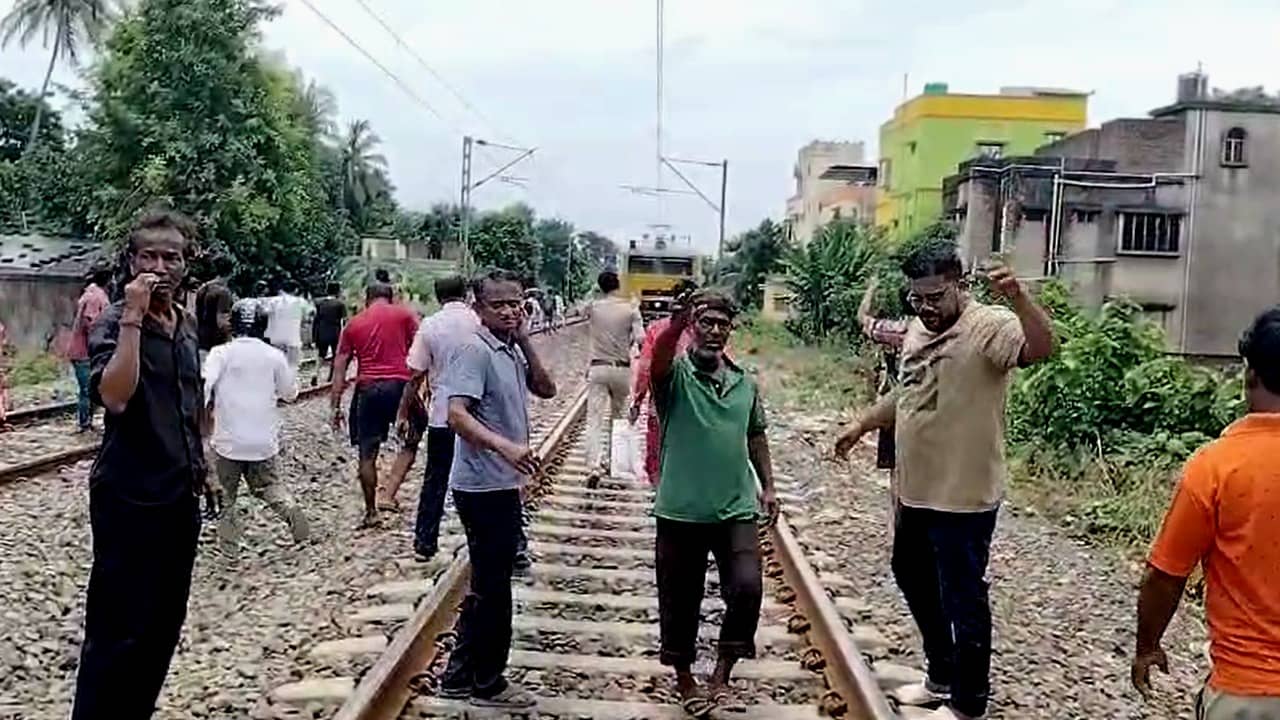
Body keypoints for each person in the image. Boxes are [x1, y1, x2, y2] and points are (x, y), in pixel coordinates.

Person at [833, 240, 1055, 720]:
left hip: (964, 495)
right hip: (916, 489)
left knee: (963, 596)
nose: (926, 307)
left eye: (935, 296)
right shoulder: (917, 328)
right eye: (918, 298)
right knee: (910, 573)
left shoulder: (988, 327)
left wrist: (1020, 300)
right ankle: (940, 673)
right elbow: (909, 393)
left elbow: (1041, 348)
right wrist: (864, 424)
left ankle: (968, 704)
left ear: (959, 284)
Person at [72, 208, 218, 719]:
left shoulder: (185, 324)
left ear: (185, 264)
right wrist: (133, 315)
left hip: (180, 494)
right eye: (149, 255)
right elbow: (114, 397)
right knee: (117, 628)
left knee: (162, 623)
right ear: (131, 261)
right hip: (129, 494)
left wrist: (204, 467)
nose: (160, 265)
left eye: (171, 257)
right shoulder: (115, 319)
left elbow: (189, 405)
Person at [1132, 307, 1280, 718]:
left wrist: (1147, 646)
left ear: (1249, 375)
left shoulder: (1216, 467)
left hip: (1247, 693)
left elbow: (1164, 576)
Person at [648, 288, 777, 716]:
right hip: (681, 508)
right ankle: (685, 679)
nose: (715, 331)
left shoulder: (744, 383)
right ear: (692, 328)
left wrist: (769, 487)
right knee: (679, 598)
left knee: (747, 586)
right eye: (706, 322)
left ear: (730, 331)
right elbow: (661, 356)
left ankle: (722, 672)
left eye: (722, 324)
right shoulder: (674, 379)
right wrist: (675, 322)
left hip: (736, 506)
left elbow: (755, 435)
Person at [436, 268, 556, 709]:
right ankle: (489, 682)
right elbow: (457, 415)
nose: (509, 311)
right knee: (495, 588)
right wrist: (504, 446)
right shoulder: (474, 349)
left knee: (489, 584)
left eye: (516, 302)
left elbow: (547, 388)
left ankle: (458, 675)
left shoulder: (509, 349)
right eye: (499, 305)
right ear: (478, 309)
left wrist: (524, 338)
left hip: (501, 483)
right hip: (482, 486)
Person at [203, 300, 308, 557]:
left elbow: (204, 388)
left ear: (233, 324)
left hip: (227, 441)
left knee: (226, 498)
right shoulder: (274, 356)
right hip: (263, 441)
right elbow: (290, 393)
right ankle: (293, 514)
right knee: (269, 487)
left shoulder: (220, 353)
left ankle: (230, 552)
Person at [395, 275, 479, 561]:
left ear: (438, 295)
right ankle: (492, 540)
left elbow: (415, 373)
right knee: (484, 478)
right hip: (478, 415)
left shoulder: (430, 325)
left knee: (436, 478)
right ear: (466, 293)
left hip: (443, 413)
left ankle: (424, 543)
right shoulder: (479, 321)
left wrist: (403, 411)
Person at [330, 282, 419, 528]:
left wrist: (335, 406)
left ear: (365, 298)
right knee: (412, 441)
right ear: (390, 297)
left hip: (368, 389)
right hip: (401, 387)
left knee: (367, 453)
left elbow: (339, 368)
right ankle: (389, 492)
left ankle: (371, 512)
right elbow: (422, 352)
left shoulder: (354, 323)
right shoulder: (405, 314)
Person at [630, 279, 702, 485]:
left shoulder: (656, 329)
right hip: (697, 408)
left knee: (658, 454)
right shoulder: (706, 332)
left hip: (661, 407)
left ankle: (660, 493)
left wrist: (637, 400)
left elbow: (645, 370)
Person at [583, 270, 645, 487]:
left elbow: (579, 309)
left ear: (600, 286)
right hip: (621, 369)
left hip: (597, 368)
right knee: (619, 420)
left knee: (594, 419)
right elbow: (641, 339)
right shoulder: (630, 309)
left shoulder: (593, 307)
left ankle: (593, 466)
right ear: (618, 285)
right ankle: (614, 464)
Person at [69, 266, 112, 432]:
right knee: (87, 390)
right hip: (85, 352)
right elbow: (92, 323)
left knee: (91, 389)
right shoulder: (95, 297)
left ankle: (87, 421)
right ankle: (84, 422)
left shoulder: (91, 294)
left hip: (85, 351)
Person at [194, 254, 236, 364]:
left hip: (200, 341)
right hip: (216, 345)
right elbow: (222, 321)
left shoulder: (203, 288)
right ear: (232, 272)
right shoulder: (224, 292)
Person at [264, 280, 313, 371]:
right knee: (292, 366)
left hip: (275, 339)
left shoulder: (273, 301)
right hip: (293, 339)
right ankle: (290, 383)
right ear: (296, 290)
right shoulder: (300, 301)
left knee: (276, 365)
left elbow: (265, 313)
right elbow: (308, 316)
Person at [312, 282, 347, 386]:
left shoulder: (320, 303)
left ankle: (315, 373)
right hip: (335, 332)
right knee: (335, 355)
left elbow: (316, 320)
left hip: (321, 332)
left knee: (320, 355)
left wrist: (314, 337)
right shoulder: (340, 304)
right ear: (338, 291)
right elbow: (344, 321)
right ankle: (331, 376)